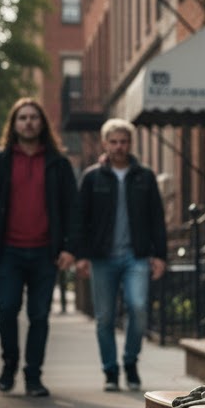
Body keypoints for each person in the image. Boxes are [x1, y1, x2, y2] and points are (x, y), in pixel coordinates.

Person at [76, 119, 167, 391]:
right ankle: (110, 371)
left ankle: (130, 361)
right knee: (104, 317)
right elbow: (81, 219)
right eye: (113, 142)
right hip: (102, 258)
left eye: (123, 141)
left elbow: (157, 218)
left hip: (136, 256)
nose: (118, 147)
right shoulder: (92, 177)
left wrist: (160, 255)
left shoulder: (145, 177)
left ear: (130, 143)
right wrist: (81, 255)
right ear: (105, 143)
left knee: (138, 308)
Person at [0, 99, 79, 396]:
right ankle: (9, 364)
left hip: (46, 253)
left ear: (42, 123)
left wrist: (69, 248)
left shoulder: (58, 163)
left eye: (34, 117)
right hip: (8, 251)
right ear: (14, 124)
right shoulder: (2, 161)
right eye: (23, 118)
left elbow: (73, 209)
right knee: (7, 309)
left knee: (39, 316)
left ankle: (33, 376)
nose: (28, 122)